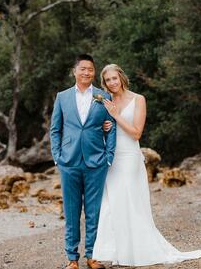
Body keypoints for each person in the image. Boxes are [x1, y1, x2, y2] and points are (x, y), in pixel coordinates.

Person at [92, 64, 201, 266]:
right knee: (111, 204)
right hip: (111, 159)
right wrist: (105, 127)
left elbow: (136, 133)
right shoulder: (105, 101)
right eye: (108, 80)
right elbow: (101, 130)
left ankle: (140, 251)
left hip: (129, 157)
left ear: (121, 78)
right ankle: (116, 253)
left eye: (114, 78)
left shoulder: (138, 99)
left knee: (132, 204)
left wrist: (116, 117)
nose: (112, 83)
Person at [50, 54, 116, 269]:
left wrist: (109, 156)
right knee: (71, 212)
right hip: (68, 162)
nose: (87, 72)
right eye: (83, 69)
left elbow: (111, 126)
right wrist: (57, 157)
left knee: (93, 212)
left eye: (90, 69)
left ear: (94, 72)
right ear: (75, 71)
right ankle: (72, 258)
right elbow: (55, 129)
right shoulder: (62, 97)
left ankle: (92, 255)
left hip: (96, 162)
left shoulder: (103, 96)